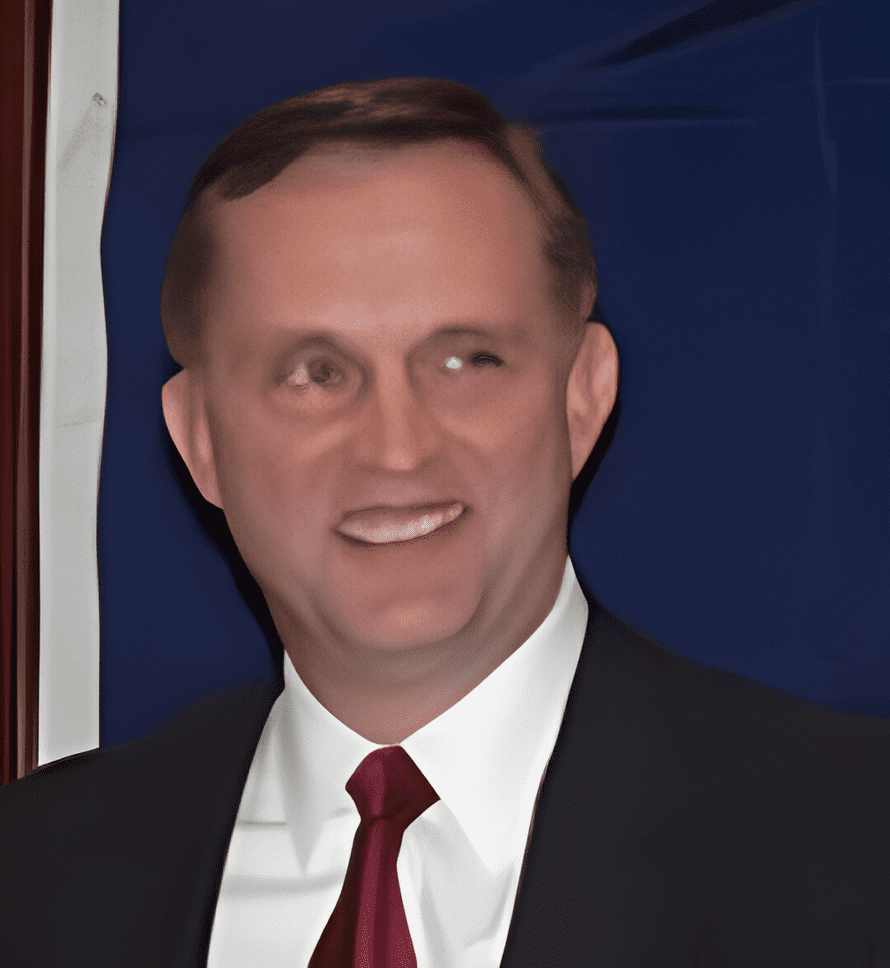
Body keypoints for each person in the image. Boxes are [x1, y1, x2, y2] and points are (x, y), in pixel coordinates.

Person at [1, 76, 889, 968]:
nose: (396, 450)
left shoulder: (857, 849)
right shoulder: (33, 876)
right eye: (315, 372)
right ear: (199, 439)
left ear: (582, 397)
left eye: (467, 360)